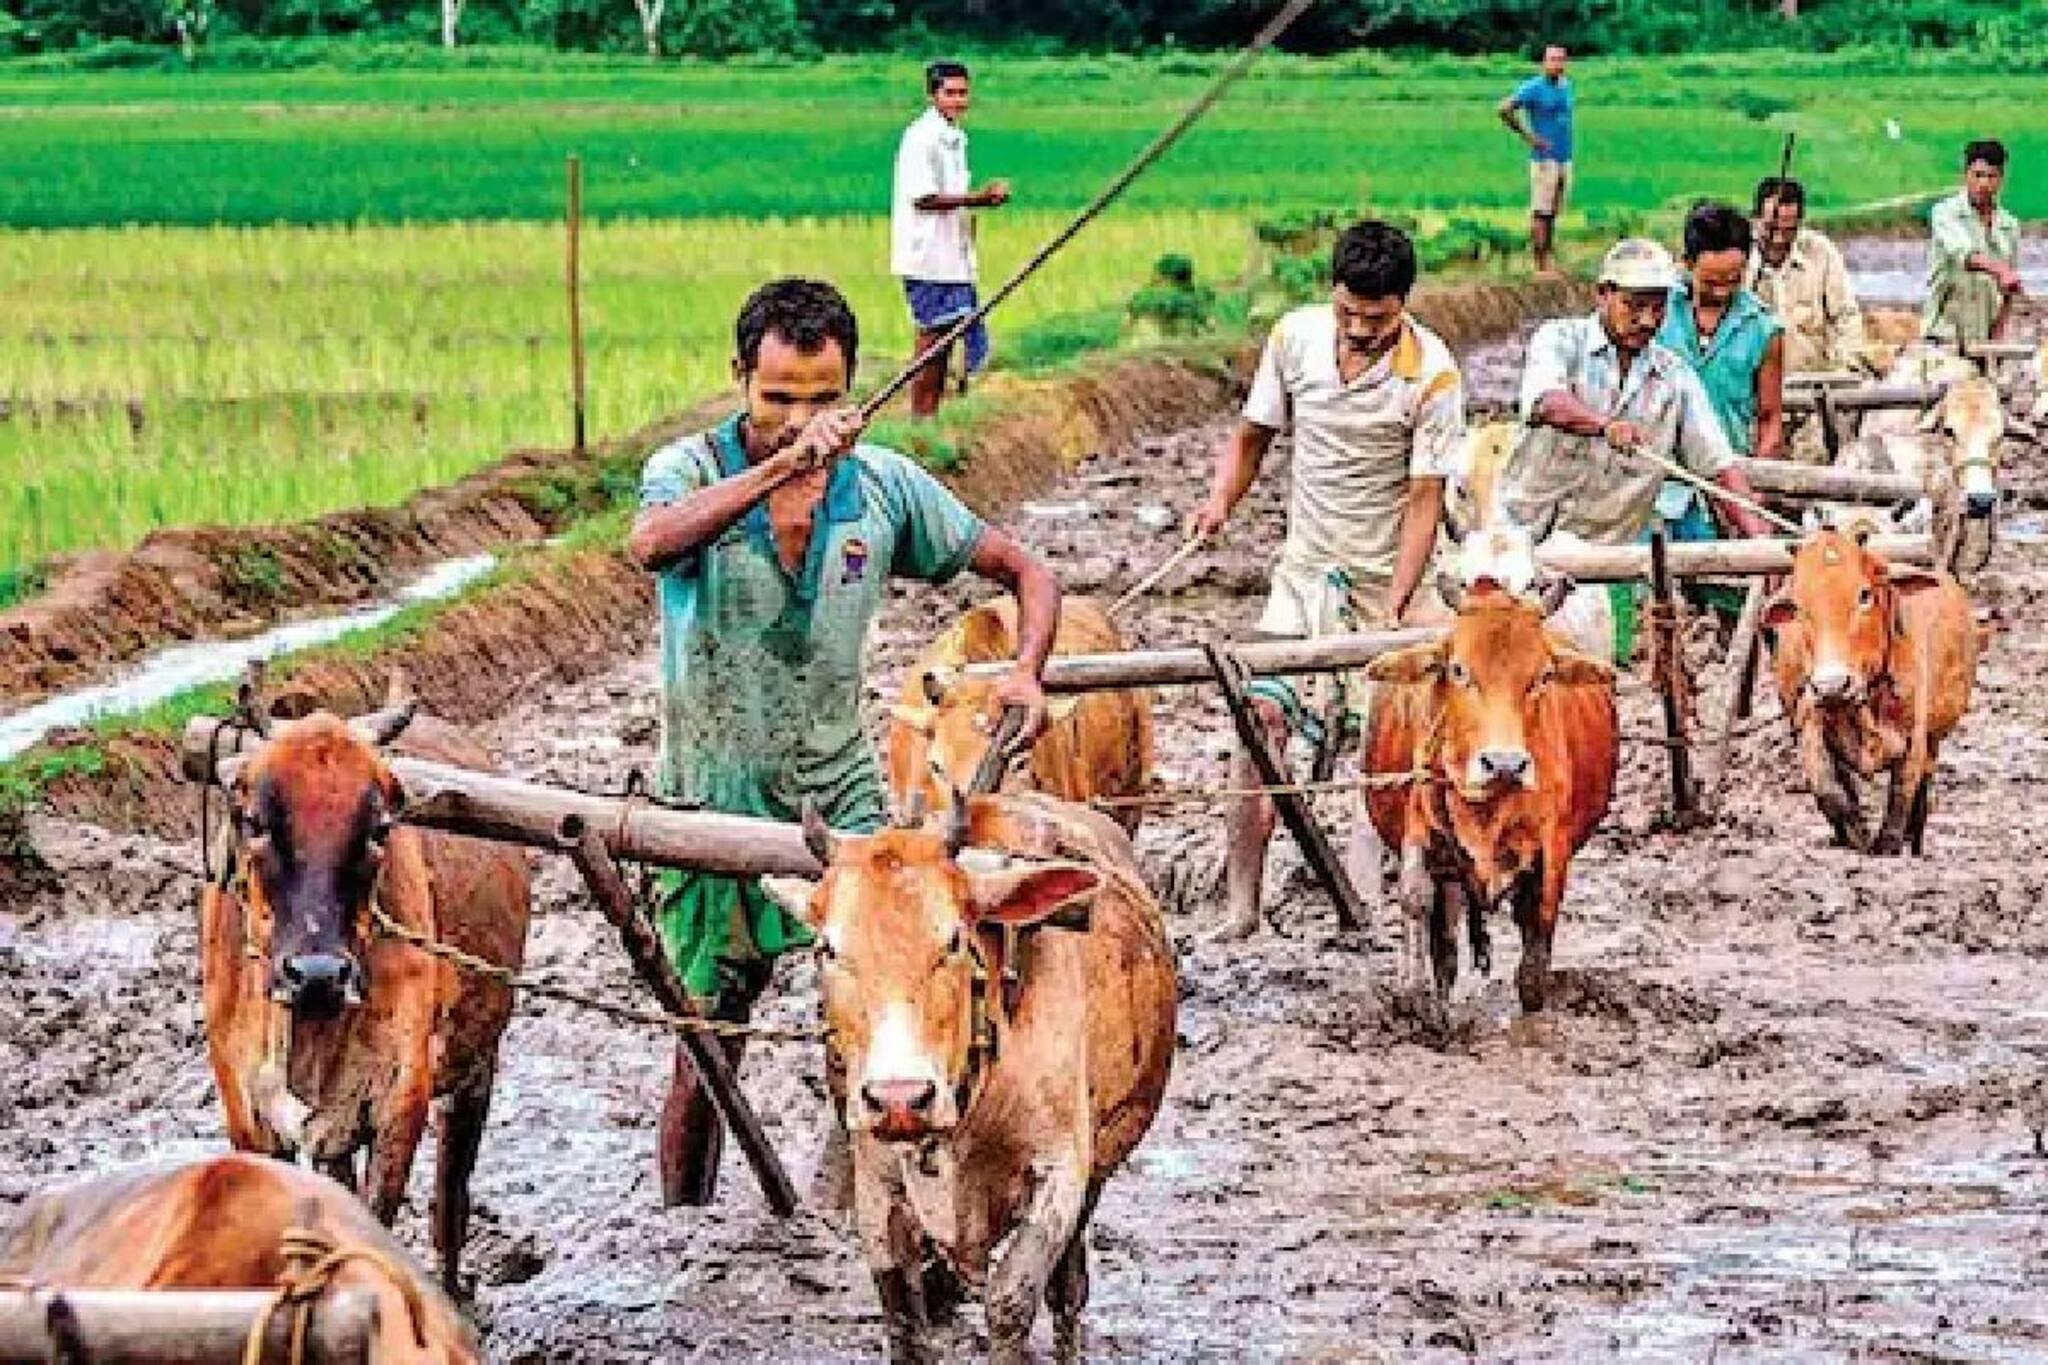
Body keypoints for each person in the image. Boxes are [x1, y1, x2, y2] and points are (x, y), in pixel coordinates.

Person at [627, 277, 1058, 1206]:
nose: (799, 418)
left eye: (823, 399)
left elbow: (1024, 569)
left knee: (893, 1018)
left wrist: (1026, 669)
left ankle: (862, 1209)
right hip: (708, 797)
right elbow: (652, 545)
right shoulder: (688, 472)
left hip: (845, 803)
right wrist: (780, 468)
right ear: (740, 378)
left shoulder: (884, 488)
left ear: (854, 392)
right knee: (705, 1038)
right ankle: (683, 1227)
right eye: (778, 396)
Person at [1189, 220, 1465, 942]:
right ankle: (1241, 906)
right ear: (1332, 295)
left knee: (1394, 738)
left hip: (1387, 578)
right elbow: (1252, 438)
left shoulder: (1432, 373)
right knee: (1260, 723)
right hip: (1306, 574)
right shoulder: (1293, 340)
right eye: (1349, 312)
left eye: (1378, 319)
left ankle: (1378, 899)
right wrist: (1220, 502)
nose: (1360, 329)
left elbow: (1425, 498)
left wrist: (1401, 601)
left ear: (1403, 304)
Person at [1500, 237, 1774, 552]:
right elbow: (1546, 402)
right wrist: (1605, 426)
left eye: (1658, 308)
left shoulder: (1675, 379)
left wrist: (1762, 543)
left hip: (1609, 555)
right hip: (1524, 543)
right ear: (1603, 294)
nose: (1647, 321)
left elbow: (1718, 467)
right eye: (1634, 305)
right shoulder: (1559, 340)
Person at [1654, 202, 1784, 558]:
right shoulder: (1657, 312)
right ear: (1687, 263)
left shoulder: (1763, 328)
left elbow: (1770, 417)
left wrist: (1752, 491)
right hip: (1658, 476)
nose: (1723, 292)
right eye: (1711, 282)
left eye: (1734, 280)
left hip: (1728, 477)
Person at [891, 60, 1011, 419]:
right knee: (932, 339)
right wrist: (979, 199)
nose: (959, 100)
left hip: (952, 256)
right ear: (933, 95)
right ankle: (920, 416)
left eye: (963, 92)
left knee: (948, 337)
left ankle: (932, 415)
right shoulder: (921, 138)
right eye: (951, 93)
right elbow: (923, 197)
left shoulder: (955, 138)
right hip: (928, 257)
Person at [1748, 176, 1863, 379]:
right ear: (1755, 219)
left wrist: (1847, 367)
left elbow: (1846, 316)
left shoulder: (1821, 252)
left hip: (1811, 384)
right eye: (1771, 229)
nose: (1778, 239)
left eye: (1788, 230)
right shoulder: (1738, 257)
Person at [1925, 139, 2025, 345]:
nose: (1984, 184)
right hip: (1944, 334)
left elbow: (2008, 291)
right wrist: (2000, 270)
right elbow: (1964, 254)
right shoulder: (1945, 213)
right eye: (1978, 175)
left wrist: (1998, 338)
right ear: (1966, 175)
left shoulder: (2009, 225)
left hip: (1985, 338)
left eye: (1991, 176)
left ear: (2001, 179)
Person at [1498, 44, 1575, 277]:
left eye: (1560, 60)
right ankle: (1540, 265)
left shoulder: (1566, 86)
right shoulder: (1534, 88)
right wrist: (1529, 137)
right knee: (1541, 211)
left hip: (1564, 156)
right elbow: (1504, 109)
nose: (1556, 64)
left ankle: (1549, 259)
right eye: (1552, 60)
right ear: (1544, 62)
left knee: (1553, 211)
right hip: (1544, 158)